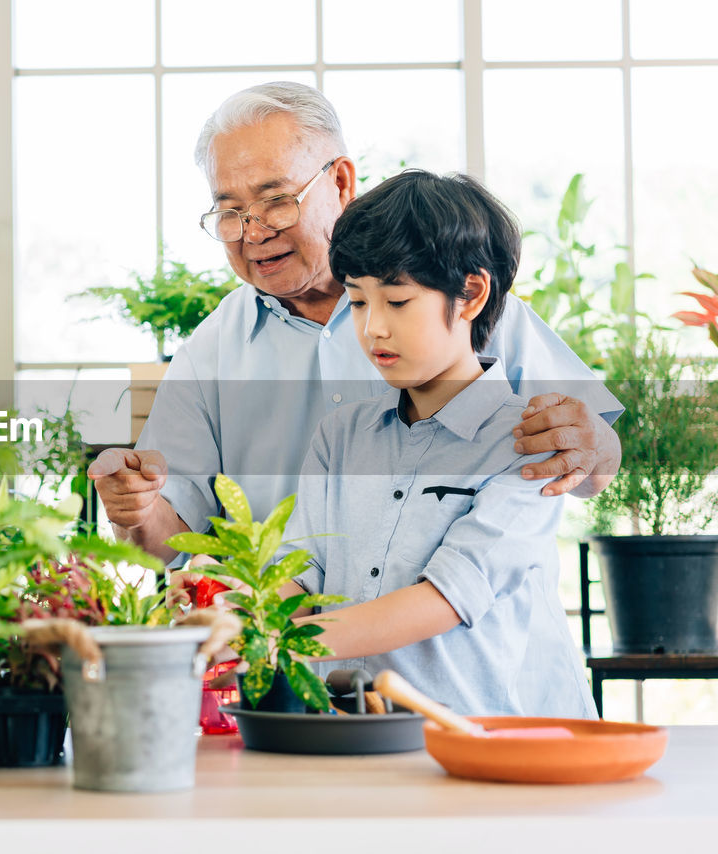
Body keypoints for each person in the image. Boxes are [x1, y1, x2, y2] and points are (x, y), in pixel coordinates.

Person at [88, 82, 622, 563]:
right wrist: (133, 509)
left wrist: (591, 442)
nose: (252, 233)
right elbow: (171, 540)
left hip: (463, 649)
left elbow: (595, 459)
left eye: (276, 202)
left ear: (341, 181)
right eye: (230, 211)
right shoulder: (212, 350)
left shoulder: (454, 302)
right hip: (289, 652)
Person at [276, 169, 595, 716]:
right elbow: (298, 575)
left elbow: (446, 598)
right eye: (356, 302)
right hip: (361, 740)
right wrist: (247, 612)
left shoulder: (530, 444)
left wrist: (271, 638)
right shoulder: (340, 437)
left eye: (397, 302)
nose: (373, 328)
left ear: (470, 294)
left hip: (494, 750)